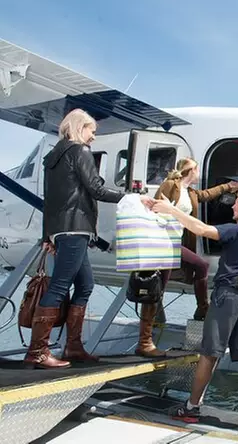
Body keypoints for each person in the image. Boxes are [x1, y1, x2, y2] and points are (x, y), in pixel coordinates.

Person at [24, 108, 154, 369]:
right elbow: (96, 189)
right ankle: (37, 351)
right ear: (79, 127)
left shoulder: (53, 157)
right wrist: (132, 198)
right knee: (59, 286)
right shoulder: (80, 151)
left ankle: (73, 346)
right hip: (77, 227)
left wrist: (47, 235)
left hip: (64, 229)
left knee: (85, 285)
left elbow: (49, 199)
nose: (93, 136)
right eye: (91, 131)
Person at [152, 190, 238, 429]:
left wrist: (171, 210)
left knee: (209, 353)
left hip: (227, 296)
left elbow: (201, 229)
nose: (233, 207)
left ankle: (191, 407)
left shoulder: (235, 231)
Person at [135, 157, 238, 358]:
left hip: (173, 243)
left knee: (168, 284)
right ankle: (145, 341)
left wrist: (228, 186)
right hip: (162, 241)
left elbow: (206, 195)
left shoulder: (189, 192)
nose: (199, 173)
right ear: (191, 170)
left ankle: (200, 310)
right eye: (197, 169)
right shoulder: (170, 185)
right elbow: (154, 209)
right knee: (169, 282)